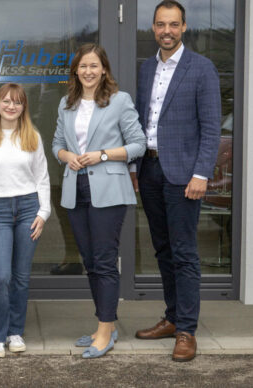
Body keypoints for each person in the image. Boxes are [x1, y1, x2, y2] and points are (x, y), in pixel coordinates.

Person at [132, 0, 221, 362]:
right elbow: (142, 121)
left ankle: (186, 330)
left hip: (185, 175)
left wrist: (201, 173)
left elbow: (212, 127)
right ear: (153, 28)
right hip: (151, 170)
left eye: (173, 24)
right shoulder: (146, 69)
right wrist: (136, 169)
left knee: (184, 253)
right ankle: (171, 317)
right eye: (159, 24)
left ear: (184, 27)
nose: (166, 31)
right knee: (163, 249)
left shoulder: (202, 69)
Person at [52, 44, 146, 359]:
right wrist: (68, 157)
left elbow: (138, 145)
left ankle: (105, 331)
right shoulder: (67, 103)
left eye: (94, 66)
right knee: (90, 262)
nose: (88, 71)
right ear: (76, 71)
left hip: (108, 190)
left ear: (103, 68)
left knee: (105, 262)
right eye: (83, 66)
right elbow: (57, 144)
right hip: (75, 188)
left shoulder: (119, 102)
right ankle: (104, 325)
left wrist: (102, 154)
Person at [0, 83, 50, 358]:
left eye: (17, 102)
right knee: (0, 276)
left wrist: (43, 212)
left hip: (29, 208)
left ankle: (15, 331)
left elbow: (42, 178)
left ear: (23, 107)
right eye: (6, 101)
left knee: (20, 277)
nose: (11, 106)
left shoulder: (32, 137)